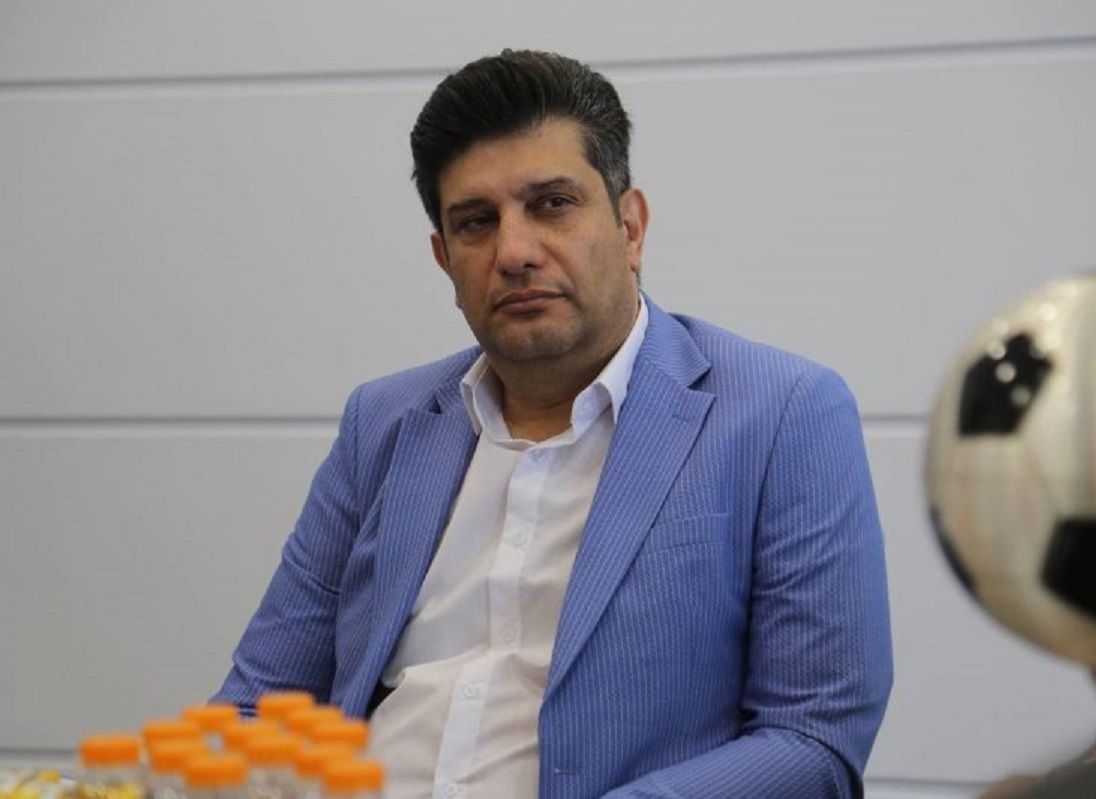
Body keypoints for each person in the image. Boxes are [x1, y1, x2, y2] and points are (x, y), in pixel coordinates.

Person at [217, 49, 892, 799]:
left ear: (630, 227)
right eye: (476, 223)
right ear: (444, 260)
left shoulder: (782, 413)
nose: (513, 252)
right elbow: (259, 703)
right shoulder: (383, 422)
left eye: (552, 204)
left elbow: (813, 739)